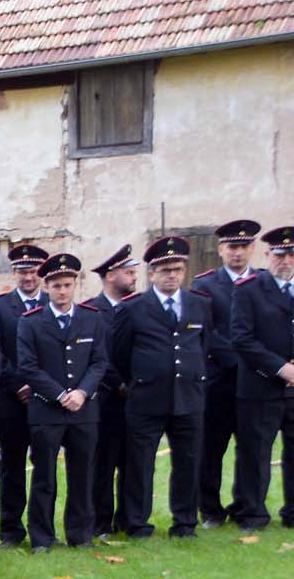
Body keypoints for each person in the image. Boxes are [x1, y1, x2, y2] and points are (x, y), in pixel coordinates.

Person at [112, 236, 211, 539]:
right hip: (146, 398)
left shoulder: (199, 304)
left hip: (188, 397)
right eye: (165, 269)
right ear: (152, 273)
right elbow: (119, 353)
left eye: (177, 269)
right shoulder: (134, 308)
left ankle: (185, 523)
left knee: (188, 462)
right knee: (140, 464)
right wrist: (135, 383)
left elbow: (203, 347)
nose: (171, 275)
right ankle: (137, 524)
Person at [17, 254, 108, 549]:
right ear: (47, 287)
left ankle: (80, 535)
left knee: (83, 475)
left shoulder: (92, 318)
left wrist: (82, 392)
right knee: (44, 476)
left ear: (75, 285)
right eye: (56, 286)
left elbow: (99, 361)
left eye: (67, 285)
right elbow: (28, 366)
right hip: (47, 410)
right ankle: (42, 537)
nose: (62, 291)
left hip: (84, 410)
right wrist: (59, 394)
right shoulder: (31, 322)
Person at [190, 219, 261, 526]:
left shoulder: (263, 282)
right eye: (232, 247)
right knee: (211, 448)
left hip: (257, 382)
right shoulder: (204, 285)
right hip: (219, 380)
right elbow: (208, 331)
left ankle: (246, 506)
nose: (238, 253)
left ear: (253, 248)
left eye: (244, 246)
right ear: (220, 249)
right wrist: (243, 359)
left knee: (252, 448)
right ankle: (210, 510)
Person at [227, 224, 294, 531]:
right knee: (255, 454)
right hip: (260, 384)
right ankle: (253, 513)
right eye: (280, 255)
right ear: (267, 255)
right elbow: (241, 338)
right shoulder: (248, 289)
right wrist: (281, 368)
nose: (286, 261)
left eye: (291, 254)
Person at [0, 243, 50, 547]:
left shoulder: (53, 302)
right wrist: (18, 385)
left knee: (45, 467)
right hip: (10, 401)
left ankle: (43, 531)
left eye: (33, 270)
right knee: (11, 467)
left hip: (47, 400)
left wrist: (38, 386)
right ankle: (11, 531)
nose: (28, 277)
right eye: (22, 271)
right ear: (14, 273)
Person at [89, 244, 140, 534]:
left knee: (133, 463)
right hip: (105, 400)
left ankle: (130, 520)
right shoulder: (92, 311)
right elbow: (97, 356)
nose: (134, 277)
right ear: (110, 275)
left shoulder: (139, 307)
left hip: (138, 399)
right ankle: (100, 522)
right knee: (103, 464)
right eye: (128, 272)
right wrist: (119, 384)